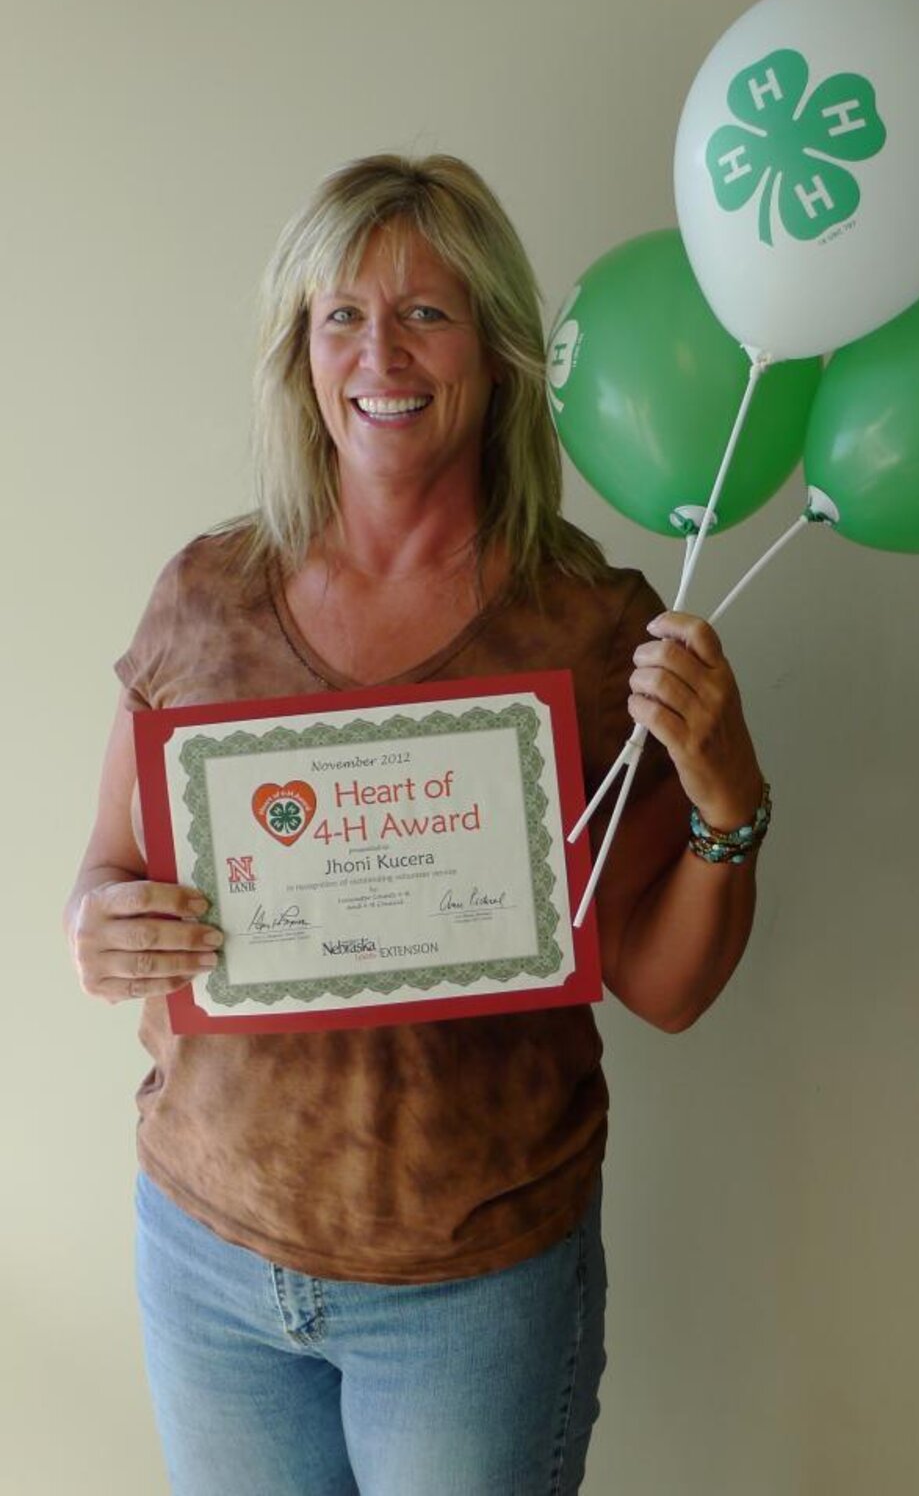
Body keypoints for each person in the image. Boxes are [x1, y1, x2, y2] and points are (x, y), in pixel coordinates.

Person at [64, 153, 768, 1496]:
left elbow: (664, 987)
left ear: (497, 352)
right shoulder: (207, 592)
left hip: (471, 1292)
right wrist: (98, 927)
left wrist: (729, 804)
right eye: (341, 315)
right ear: (301, 350)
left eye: (426, 313)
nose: (378, 352)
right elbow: (105, 872)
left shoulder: (589, 625)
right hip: (208, 1254)